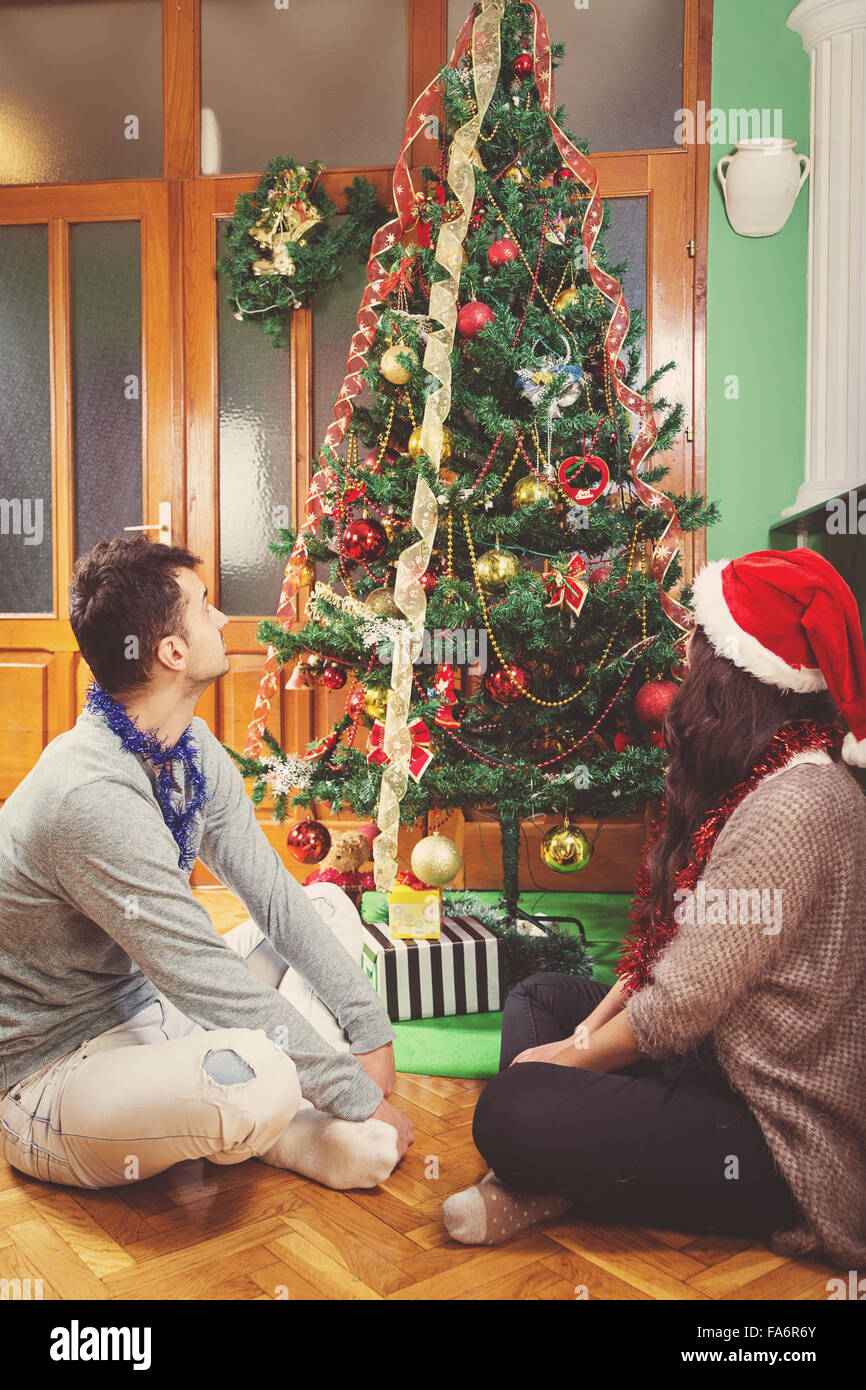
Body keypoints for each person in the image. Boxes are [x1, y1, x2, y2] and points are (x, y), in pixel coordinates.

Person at [443, 548, 866, 1270]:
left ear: (741, 673)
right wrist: (577, 1043)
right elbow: (669, 954)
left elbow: (676, 1006)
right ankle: (551, 1170)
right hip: (716, 1053)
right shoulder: (767, 772)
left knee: (509, 1108)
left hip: (770, 1131)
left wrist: (564, 1065)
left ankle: (539, 1167)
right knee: (542, 996)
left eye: (696, 641)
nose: (681, 657)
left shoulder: (794, 806)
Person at [0, 536, 414, 1192]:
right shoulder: (86, 794)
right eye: (204, 608)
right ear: (171, 652)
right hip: (55, 1077)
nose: (222, 620)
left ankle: (286, 1112)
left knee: (328, 907)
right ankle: (294, 1128)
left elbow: (273, 897)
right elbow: (198, 971)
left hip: (158, 1012)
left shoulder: (188, 747)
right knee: (261, 1072)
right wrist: (355, 1093)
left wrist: (370, 1031)